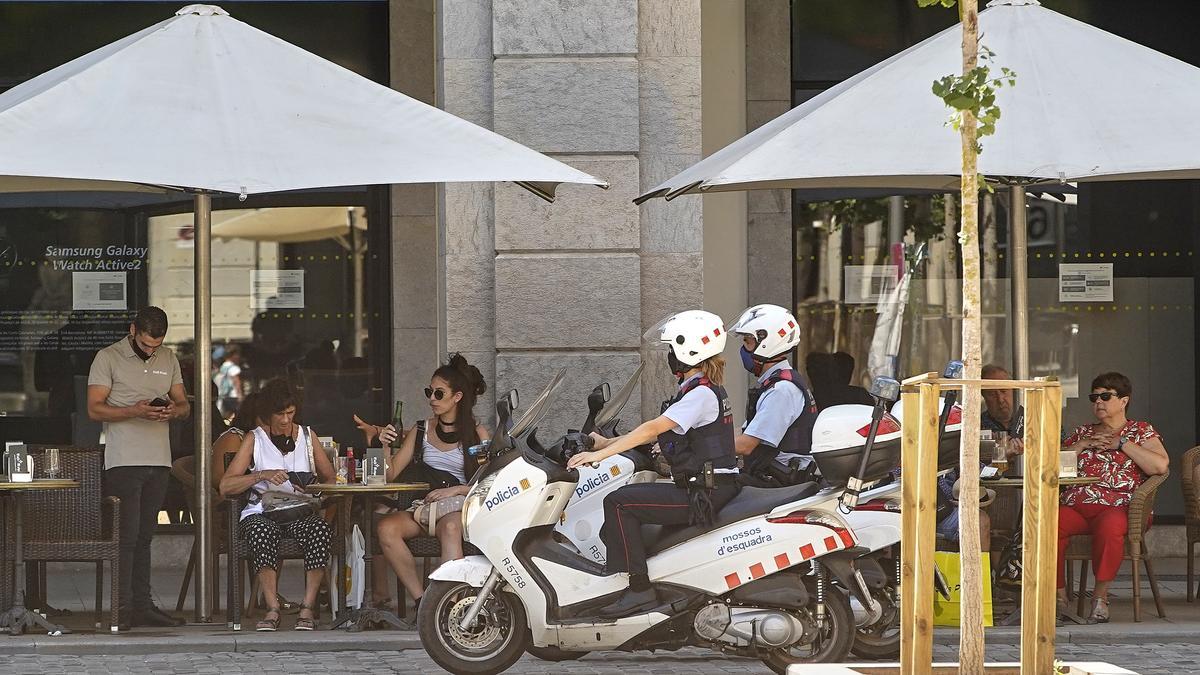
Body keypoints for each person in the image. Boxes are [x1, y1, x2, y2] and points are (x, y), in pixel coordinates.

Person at [568, 310, 741, 619]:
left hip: (705, 493)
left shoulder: (699, 395)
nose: (669, 356)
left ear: (688, 352)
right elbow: (664, 437)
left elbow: (651, 429)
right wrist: (605, 443)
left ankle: (639, 589)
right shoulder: (701, 390)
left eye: (672, 349)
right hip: (707, 487)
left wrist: (598, 457)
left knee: (620, 503)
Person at [86, 306, 191, 630]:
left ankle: (143, 606)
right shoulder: (108, 357)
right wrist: (134, 410)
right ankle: (123, 608)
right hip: (124, 460)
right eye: (146, 344)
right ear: (133, 330)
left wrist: (173, 410)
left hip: (159, 460)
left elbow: (186, 406)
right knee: (127, 537)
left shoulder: (168, 358)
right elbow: (94, 409)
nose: (151, 350)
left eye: (156, 345)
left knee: (146, 536)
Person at [364, 354, 489, 612]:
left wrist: (456, 489)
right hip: (421, 507)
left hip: (456, 508)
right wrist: (385, 446)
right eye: (429, 392)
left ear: (458, 397)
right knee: (386, 528)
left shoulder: (478, 433)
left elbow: (489, 482)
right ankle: (424, 603)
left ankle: (453, 605)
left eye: (438, 393)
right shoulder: (420, 429)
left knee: (451, 529)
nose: (431, 399)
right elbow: (391, 474)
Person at [219, 379, 336, 631]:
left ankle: (307, 606)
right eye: (279, 414)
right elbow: (226, 485)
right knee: (261, 531)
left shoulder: (307, 436)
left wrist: (312, 489)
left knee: (320, 530)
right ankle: (272, 608)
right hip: (263, 511)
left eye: (290, 413)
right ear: (267, 414)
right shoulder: (255, 439)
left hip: (299, 509)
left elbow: (331, 479)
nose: (285, 420)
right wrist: (261, 475)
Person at [1056, 372, 1169, 623]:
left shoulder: (1140, 431)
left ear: (1124, 401)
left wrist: (1122, 444)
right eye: (1094, 397)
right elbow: (1055, 468)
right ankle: (1058, 598)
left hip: (1120, 507)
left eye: (1105, 396)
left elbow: (1159, 466)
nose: (1098, 402)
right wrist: (1081, 445)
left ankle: (1100, 599)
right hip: (1078, 506)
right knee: (1046, 524)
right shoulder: (1082, 432)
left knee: (1110, 526)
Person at [728, 304, 819, 486]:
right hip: (772, 477)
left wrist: (698, 449)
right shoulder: (776, 383)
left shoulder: (782, 390)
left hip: (780, 482)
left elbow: (746, 445)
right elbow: (746, 432)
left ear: (766, 342)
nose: (743, 349)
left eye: (747, 341)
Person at [214, 344, 244, 419]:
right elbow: (236, 381)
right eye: (237, 354)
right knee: (237, 415)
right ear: (232, 355)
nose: (238, 357)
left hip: (224, 395)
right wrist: (240, 395)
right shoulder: (234, 367)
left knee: (226, 415)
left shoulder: (223, 366)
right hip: (233, 396)